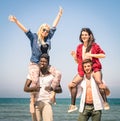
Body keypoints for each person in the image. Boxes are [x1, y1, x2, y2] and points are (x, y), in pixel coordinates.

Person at [9, 7, 63, 119]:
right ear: (40, 29)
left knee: (58, 73)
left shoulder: (48, 37)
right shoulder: (34, 37)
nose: (46, 32)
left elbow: (54, 26)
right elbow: (25, 30)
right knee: (35, 80)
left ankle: (52, 93)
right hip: (34, 63)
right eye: (44, 29)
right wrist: (16, 21)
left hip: (45, 64)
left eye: (47, 30)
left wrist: (59, 15)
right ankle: (32, 100)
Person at [68, 28, 110, 113]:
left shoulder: (95, 45)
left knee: (99, 82)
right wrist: (74, 56)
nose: (84, 36)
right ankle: (73, 105)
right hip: (83, 70)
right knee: (72, 84)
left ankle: (105, 102)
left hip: (94, 68)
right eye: (82, 35)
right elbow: (78, 62)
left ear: (89, 36)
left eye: (85, 35)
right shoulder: (79, 47)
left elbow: (103, 55)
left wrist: (91, 54)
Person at [24, 53, 62, 121]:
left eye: (44, 62)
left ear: (48, 63)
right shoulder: (33, 73)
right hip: (36, 103)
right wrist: (34, 88)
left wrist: (52, 88)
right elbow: (25, 88)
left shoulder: (52, 75)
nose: (42, 63)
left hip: (47, 103)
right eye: (41, 61)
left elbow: (60, 90)